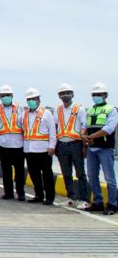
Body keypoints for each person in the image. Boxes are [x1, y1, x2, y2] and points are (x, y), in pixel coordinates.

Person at [83, 82, 117, 215]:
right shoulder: (90, 110)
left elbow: (109, 128)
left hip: (105, 148)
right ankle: (98, 202)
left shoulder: (112, 110)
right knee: (92, 176)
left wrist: (91, 136)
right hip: (91, 148)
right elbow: (85, 124)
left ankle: (112, 204)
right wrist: (83, 135)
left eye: (99, 94)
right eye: (94, 94)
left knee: (109, 178)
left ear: (105, 95)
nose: (96, 96)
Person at [54, 83, 89, 209]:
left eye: (67, 93)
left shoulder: (79, 109)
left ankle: (84, 199)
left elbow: (84, 127)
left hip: (76, 144)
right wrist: (55, 145)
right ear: (59, 96)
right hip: (62, 144)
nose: (65, 95)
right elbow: (56, 127)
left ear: (72, 94)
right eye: (62, 93)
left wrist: (84, 146)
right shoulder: (58, 110)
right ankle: (71, 198)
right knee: (66, 173)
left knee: (80, 173)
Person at [0, 85, 26, 201]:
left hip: (18, 144)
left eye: (8, 95)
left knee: (20, 170)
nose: (6, 97)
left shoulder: (20, 108)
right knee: (6, 171)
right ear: (0, 97)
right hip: (3, 144)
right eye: (3, 96)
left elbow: (25, 125)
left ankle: (21, 193)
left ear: (12, 96)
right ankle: (8, 193)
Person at [22, 88, 57, 205]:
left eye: (33, 99)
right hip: (29, 149)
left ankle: (50, 197)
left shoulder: (46, 114)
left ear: (38, 100)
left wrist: (52, 146)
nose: (31, 101)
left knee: (47, 174)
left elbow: (52, 132)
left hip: (43, 149)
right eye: (29, 99)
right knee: (33, 174)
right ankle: (38, 195)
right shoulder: (25, 114)